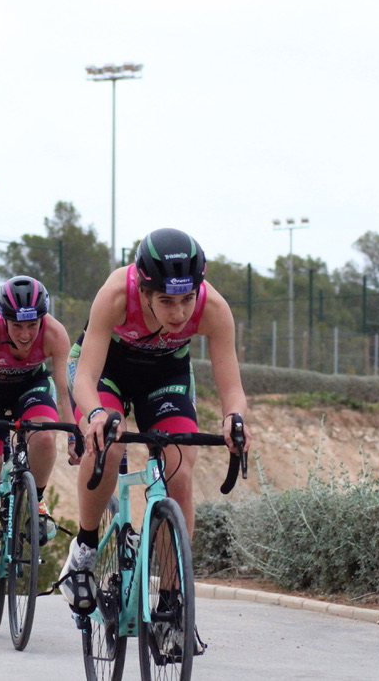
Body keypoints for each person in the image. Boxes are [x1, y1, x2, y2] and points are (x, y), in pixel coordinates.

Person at [60, 227, 253, 614]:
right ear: (144, 291)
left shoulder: (214, 308)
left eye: (187, 299)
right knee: (108, 447)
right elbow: (84, 379)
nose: (179, 313)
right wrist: (95, 415)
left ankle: (171, 599)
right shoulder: (117, 294)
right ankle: (84, 549)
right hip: (106, 372)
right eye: (166, 301)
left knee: (179, 469)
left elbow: (232, 388)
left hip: (165, 377)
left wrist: (235, 418)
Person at [0, 275, 74, 606]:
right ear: (3, 319)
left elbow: (65, 393)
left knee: (44, 438)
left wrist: (74, 435)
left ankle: (38, 502)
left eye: (32, 325)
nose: (24, 334)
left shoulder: (54, 333)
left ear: (42, 319)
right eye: (17, 326)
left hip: (31, 390)